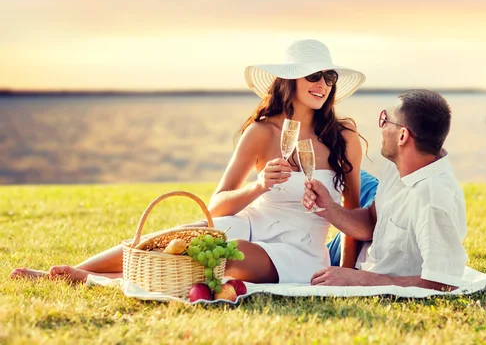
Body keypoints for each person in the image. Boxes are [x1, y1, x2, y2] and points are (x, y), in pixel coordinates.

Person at [11, 39, 366, 284]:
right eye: (314, 75)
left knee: (220, 254)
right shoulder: (261, 133)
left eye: (329, 77)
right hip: (247, 224)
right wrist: (260, 186)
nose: (323, 84)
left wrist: (347, 274)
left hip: (299, 249)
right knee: (172, 238)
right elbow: (219, 203)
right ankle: (73, 272)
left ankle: (97, 278)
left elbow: (352, 215)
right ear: (290, 80)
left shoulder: (344, 138)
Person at [304, 89, 468, 291]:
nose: (380, 126)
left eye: (385, 120)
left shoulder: (432, 199)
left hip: (368, 266)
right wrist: (329, 208)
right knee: (344, 169)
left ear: (402, 136)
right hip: (368, 252)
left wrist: (359, 279)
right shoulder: (398, 165)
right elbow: (373, 220)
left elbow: (443, 282)